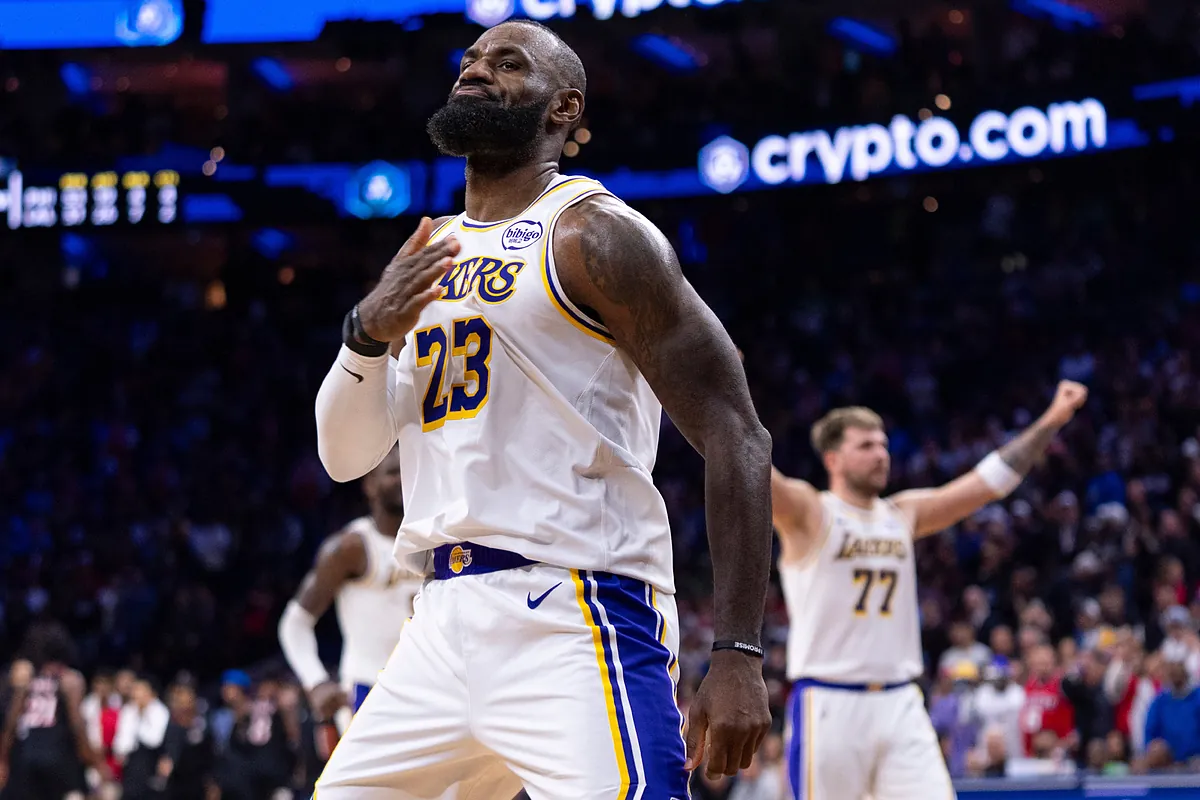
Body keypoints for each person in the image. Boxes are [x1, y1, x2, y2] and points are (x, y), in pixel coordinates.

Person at [313, 18, 772, 798]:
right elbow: (344, 456)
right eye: (469, 59)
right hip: (438, 618)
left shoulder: (596, 233)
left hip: (573, 611)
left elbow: (738, 432)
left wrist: (738, 650)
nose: (475, 70)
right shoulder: (427, 252)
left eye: (507, 63)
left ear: (565, 108)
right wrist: (365, 333)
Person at [769, 381, 1088, 799]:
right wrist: (720, 384)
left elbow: (989, 482)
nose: (880, 454)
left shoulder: (903, 513)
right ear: (833, 459)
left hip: (901, 700)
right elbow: (749, 463)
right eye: (865, 446)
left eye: (883, 444)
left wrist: (1053, 418)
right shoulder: (812, 512)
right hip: (829, 700)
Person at [277, 445, 423, 735]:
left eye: (409, 471)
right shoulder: (350, 547)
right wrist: (316, 681)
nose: (403, 479)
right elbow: (294, 624)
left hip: (430, 689)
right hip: (369, 690)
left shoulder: (437, 538)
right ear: (369, 484)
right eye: (393, 473)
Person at [0, 622, 107, 800]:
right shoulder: (69, 679)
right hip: (59, 759)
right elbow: (77, 725)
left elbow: (11, 723)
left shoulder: (26, 679)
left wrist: (3, 758)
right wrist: (95, 761)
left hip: (26, 757)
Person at [1141, 657, 1200, 770]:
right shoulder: (1160, 701)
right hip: (1167, 761)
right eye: (1172, 670)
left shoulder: (1197, 697)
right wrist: (1154, 747)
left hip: (1195, 759)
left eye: (1178, 668)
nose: (1175, 673)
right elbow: (1150, 732)